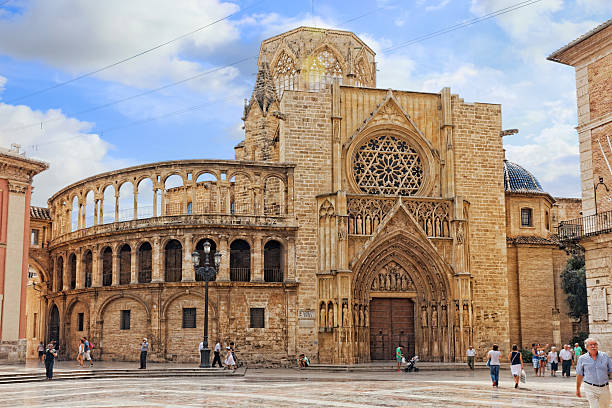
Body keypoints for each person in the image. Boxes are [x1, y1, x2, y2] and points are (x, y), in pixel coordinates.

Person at [576, 337, 612, 407]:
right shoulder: (582, 358)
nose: (593, 346)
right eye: (591, 345)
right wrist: (578, 389)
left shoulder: (604, 356)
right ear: (586, 347)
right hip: (590, 387)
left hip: (604, 388)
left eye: (595, 344)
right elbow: (579, 374)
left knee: (604, 406)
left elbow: (611, 370)